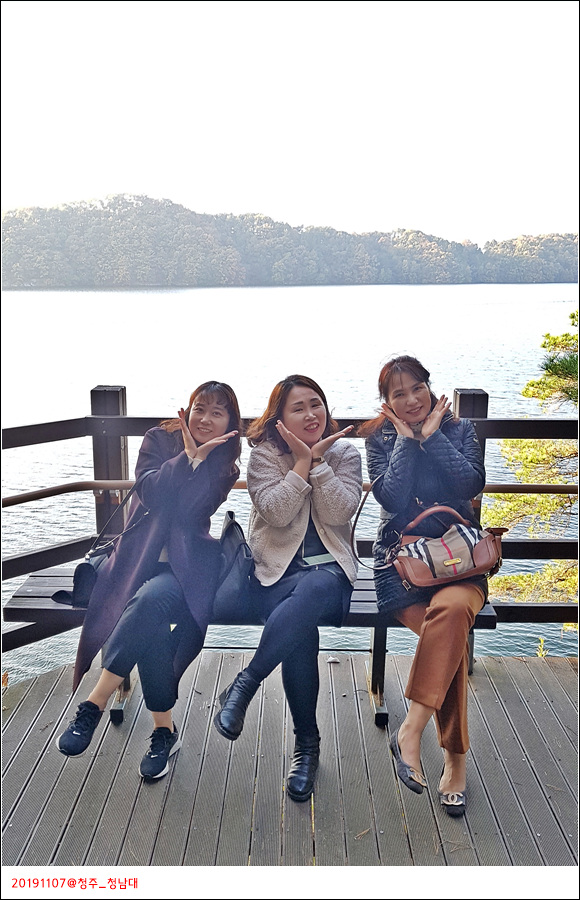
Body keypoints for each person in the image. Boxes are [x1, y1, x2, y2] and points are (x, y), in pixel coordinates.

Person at [56, 381, 242, 779]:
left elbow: (190, 511)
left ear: (230, 422)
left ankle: (93, 704)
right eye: (200, 408)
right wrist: (186, 458)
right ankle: (164, 732)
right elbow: (151, 492)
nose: (205, 419)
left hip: (185, 568)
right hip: (134, 561)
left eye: (217, 412)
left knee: (150, 601)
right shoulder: (158, 439)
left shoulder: (226, 465)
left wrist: (200, 461)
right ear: (187, 411)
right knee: (151, 623)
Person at [213, 375, 362, 802]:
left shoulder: (346, 454)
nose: (311, 414)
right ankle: (307, 745)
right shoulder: (264, 456)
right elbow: (276, 514)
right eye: (298, 408)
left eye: (317, 404)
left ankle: (246, 682)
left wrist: (319, 463)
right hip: (274, 575)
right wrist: (299, 463)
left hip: (331, 576)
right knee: (300, 634)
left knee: (314, 591)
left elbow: (339, 511)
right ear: (279, 418)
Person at [361, 356, 486, 817]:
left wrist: (432, 438)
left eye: (418, 388)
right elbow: (391, 496)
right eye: (399, 393)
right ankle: (454, 761)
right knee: (448, 642)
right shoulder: (379, 439)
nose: (412, 399)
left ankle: (411, 732)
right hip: (402, 569)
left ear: (430, 388)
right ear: (387, 402)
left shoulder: (460, 430)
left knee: (449, 617)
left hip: (460, 564)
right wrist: (407, 442)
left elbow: (469, 483)